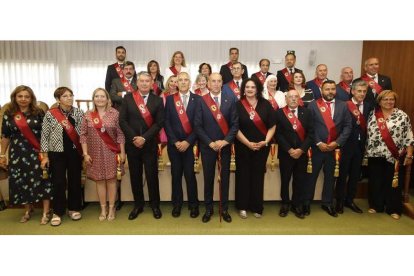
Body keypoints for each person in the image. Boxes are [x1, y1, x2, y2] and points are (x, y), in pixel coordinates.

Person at [0, 85, 52, 224]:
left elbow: (46, 134)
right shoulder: (9, 114)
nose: (23, 99)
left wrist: (46, 154)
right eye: (20, 96)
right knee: (22, 181)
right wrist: (2, 155)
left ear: (31, 98)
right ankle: (28, 209)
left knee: (43, 180)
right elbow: (5, 136)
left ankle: (46, 211)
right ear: (15, 98)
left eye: (27, 96)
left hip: (38, 152)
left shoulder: (39, 112)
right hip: (17, 153)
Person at [119, 72, 164, 220]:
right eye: (142, 81)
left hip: (149, 144)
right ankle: (138, 205)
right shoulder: (127, 98)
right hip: (133, 145)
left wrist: (144, 138)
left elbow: (159, 123)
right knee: (135, 176)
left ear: (152, 83)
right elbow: (123, 121)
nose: (144, 83)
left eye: (147, 81)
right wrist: (134, 138)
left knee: (152, 176)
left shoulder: (157, 100)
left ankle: (155, 205)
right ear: (137, 83)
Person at [194, 73, 239, 223]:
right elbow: (198, 126)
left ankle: (224, 209)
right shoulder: (201, 101)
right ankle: (208, 209)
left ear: (222, 83)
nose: (216, 83)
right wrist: (210, 142)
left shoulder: (230, 100)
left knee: (224, 180)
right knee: (208, 179)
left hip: (224, 147)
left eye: (219, 81)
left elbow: (234, 125)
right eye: (213, 81)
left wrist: (225, 141)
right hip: (208, 147)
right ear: (208, 83)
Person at [305, 80, 352, 217]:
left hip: (334, 149)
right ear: (321, 91)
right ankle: (306, 202)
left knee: (331, 178)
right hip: (317, 148)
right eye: (327, 89)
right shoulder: (313, 105)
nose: (330, 91)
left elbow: (348, 126)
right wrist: (318, 142)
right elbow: (309, 127)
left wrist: (337, 143)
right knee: (311, 176)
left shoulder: (343, 106)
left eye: (332, 89)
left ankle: (327, 203)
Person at [365, 90, 413, 220]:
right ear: (379, 101)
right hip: (375, 153)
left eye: (391, 99)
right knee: (375, 180)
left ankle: (394, 208)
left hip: (394, 155)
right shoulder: (373, 114)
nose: (389, 102)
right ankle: (376, 205)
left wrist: (409, 154)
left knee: (394, 182)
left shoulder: (402, 115)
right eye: (385, 99)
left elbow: (408, 135)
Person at [40, 87, 84, 226]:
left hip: (74, 152)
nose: (69, 98)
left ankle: (73, 208)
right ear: (58, 99)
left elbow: (83, 134)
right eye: (65, 96)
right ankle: (58, 211)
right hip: (56, 153)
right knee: (58, 182)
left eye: (71, 95)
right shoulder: (50, 114)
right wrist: (45, 156)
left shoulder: (79, 112)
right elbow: (44, 135)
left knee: (74, 180)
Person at [80, 88, 126, 221]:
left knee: (112, 181)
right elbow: (83, 135)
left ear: (107, 99)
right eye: (97, 96)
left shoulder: (115, 114)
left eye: (102, 96)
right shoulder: (87, 115)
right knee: (99, 181)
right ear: (93, 99)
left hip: (112, 153)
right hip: (94, 154)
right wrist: (85, 154)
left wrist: (122, 153)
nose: (99, 99)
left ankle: (111, 208)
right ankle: (103, 209)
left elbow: (120, 135)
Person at [235, 78, 275, 219]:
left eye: (253, 87)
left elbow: (272, 125)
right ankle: (242, 206)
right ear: (243, 89)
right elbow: (235, 128)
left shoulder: (266, 104)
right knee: (243, 176)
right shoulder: (238, 105)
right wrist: (247, 143)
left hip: (261, 147)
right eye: (247, 87)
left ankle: (257, 206)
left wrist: (265, 141)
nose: (250, 89)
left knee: (258, 176)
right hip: (243, 147)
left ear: (257, 89)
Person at [164, 72, 200, 218]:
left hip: (190, 145)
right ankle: (177, 205)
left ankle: (193, 205)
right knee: (176, 175)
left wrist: (188, 141)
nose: (183, 82)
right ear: (176, 83)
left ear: (190, 82)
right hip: (174, 145)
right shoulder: (170, 99)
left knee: (190, 176)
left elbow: (199, 124)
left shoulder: (197, 99)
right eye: (180, 80)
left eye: (186, 80)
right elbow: (166, 122)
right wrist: (175, 141)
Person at [275, 89, 314, 219]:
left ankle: (296, 204)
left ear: (299, 99)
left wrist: (301, 150)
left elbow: (311, 134)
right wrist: (289, 149)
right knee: (285, 180)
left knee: (299, 180)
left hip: (301, 154)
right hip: (286, 153)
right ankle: (285, 203)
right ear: (286, 99)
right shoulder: (280, 113)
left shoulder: (307, 113)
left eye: (295, 97)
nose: (293, 99)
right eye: (290, 97)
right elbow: (278, 134)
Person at [335, 80, 373, 214]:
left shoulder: (368, 106)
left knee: (355, 175)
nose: (362, 94)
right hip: (345, 145)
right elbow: (338, 126)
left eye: (364, 91)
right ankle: (339, 201)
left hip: (360, 146)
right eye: (359, 91)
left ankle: (349, 200)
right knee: (342, 174)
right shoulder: (344, 105)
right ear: (352, 91)